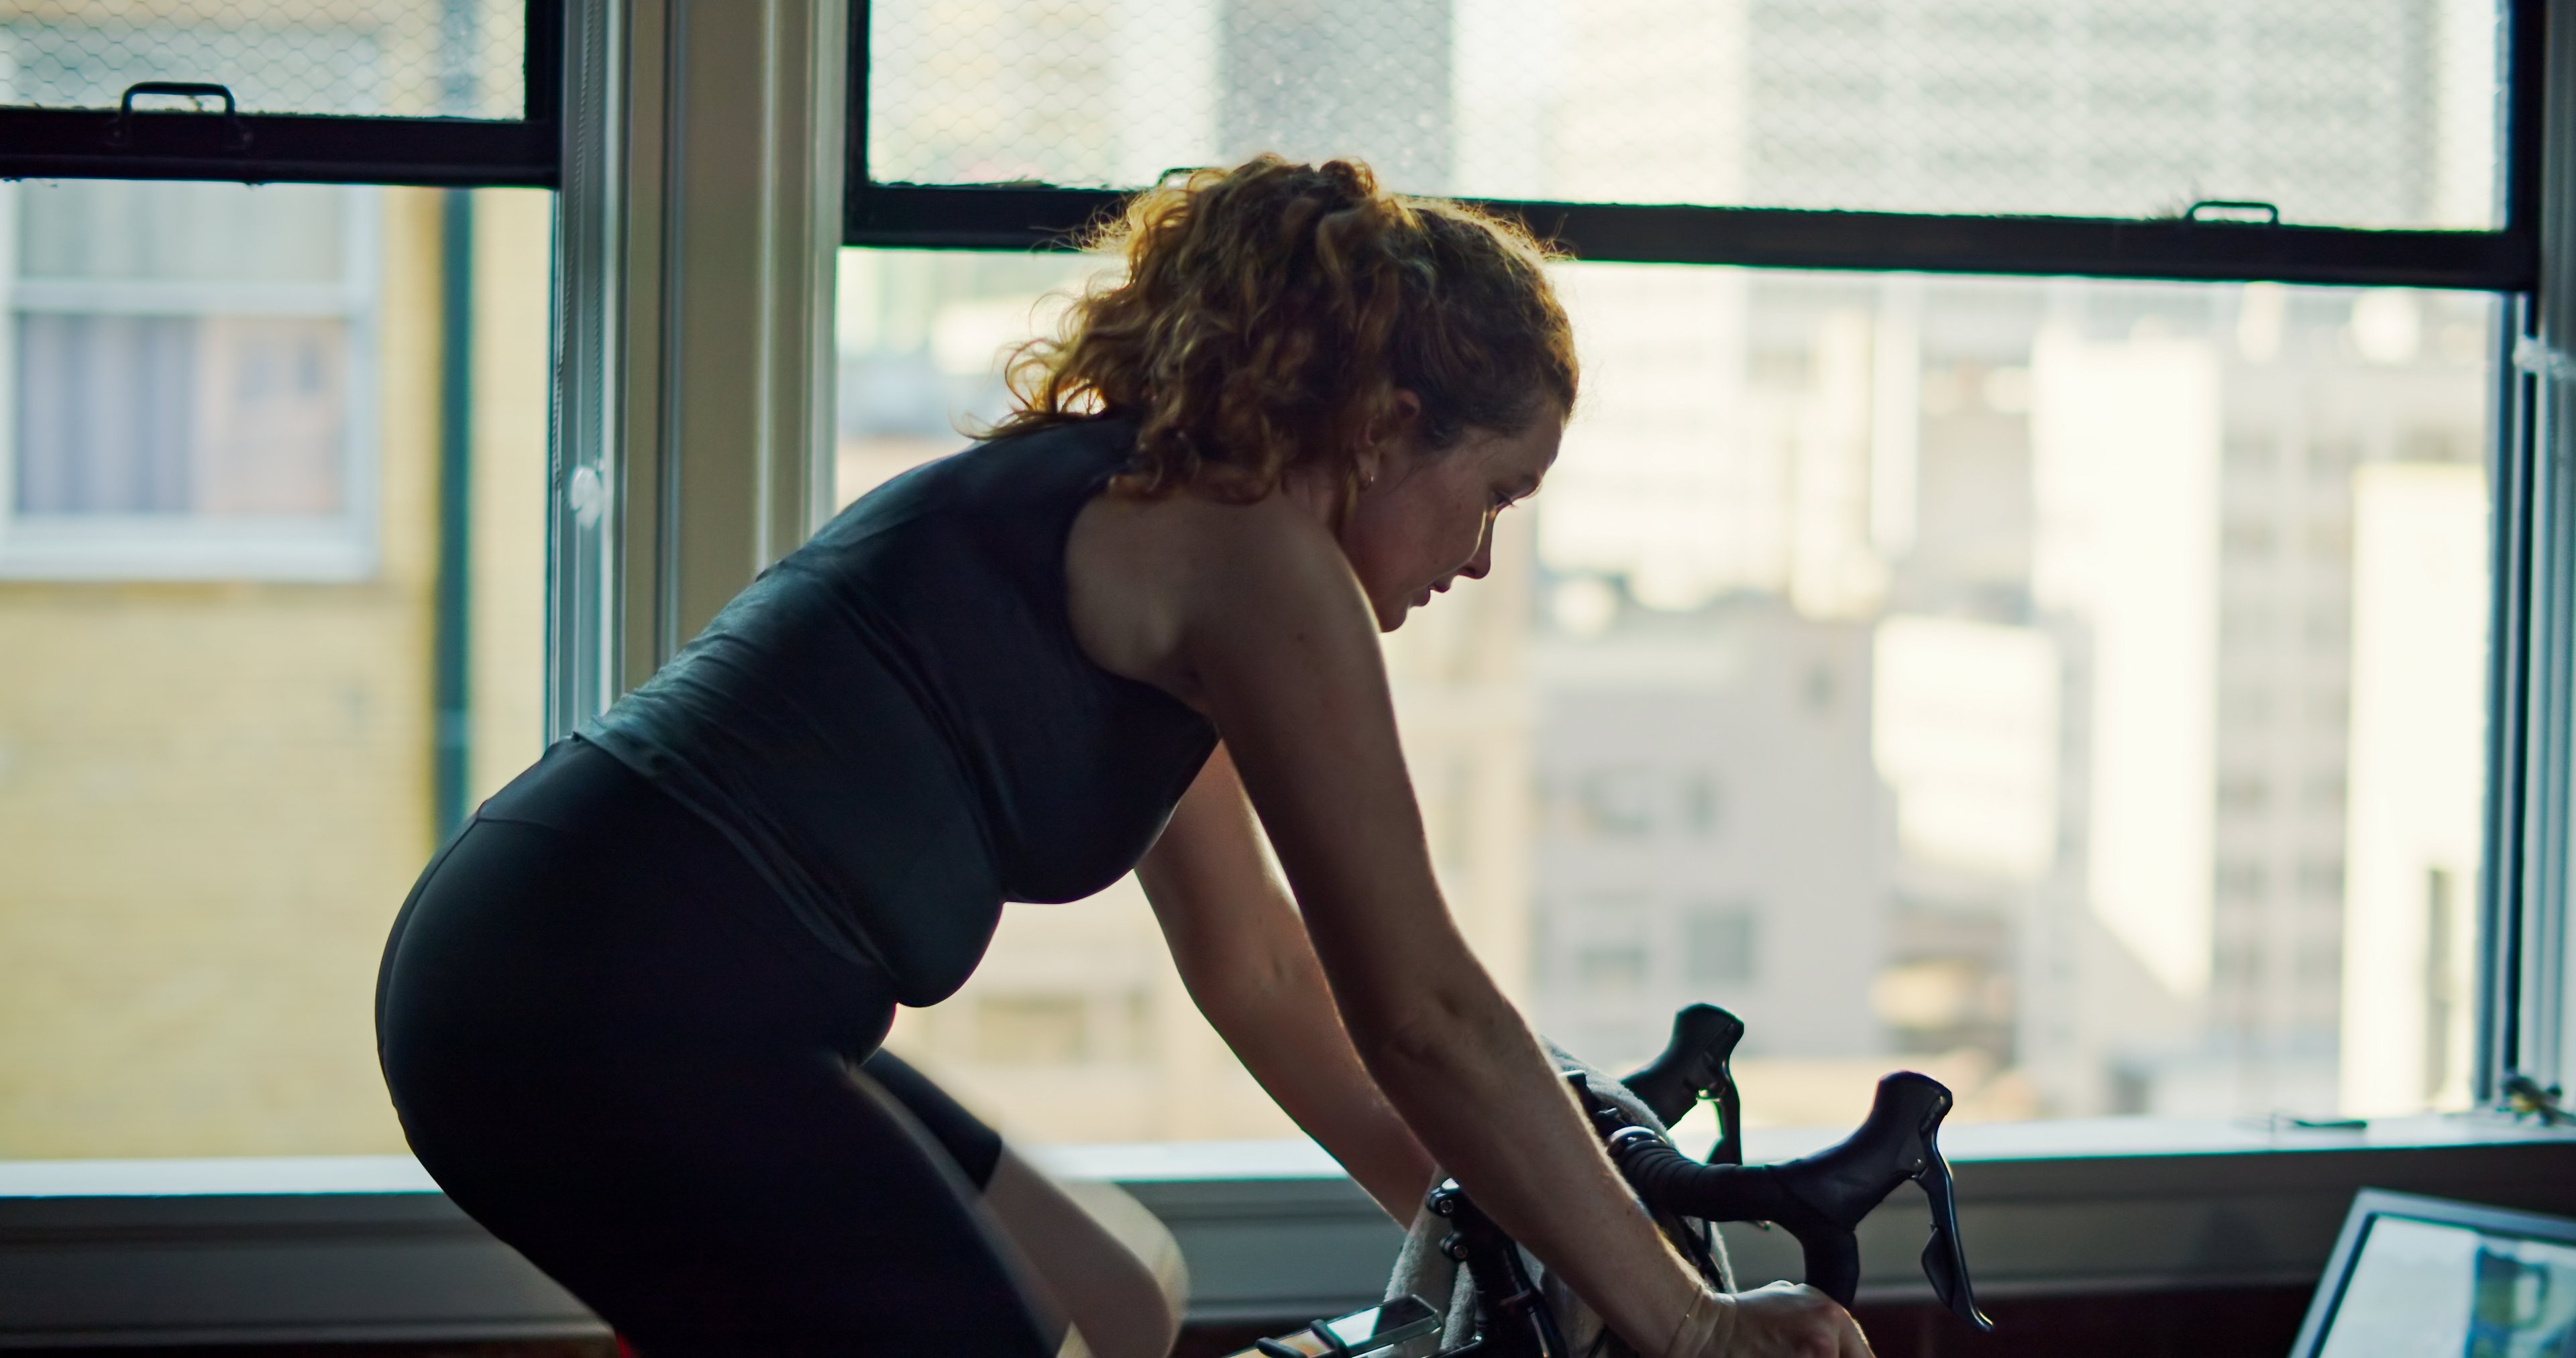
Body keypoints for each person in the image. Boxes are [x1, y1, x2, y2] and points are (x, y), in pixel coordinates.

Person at [375, 155, 1871, 1357]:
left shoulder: (1172, 527)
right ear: (1386, 427)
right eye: (1494, 493)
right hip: (602, 994)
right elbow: (1418, 1006)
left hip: (560, 962)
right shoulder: (1254, 560)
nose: (1480, 558)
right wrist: (1687, 1320)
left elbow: (1263, 971)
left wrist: (1525, 1234)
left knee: (1117, 1290)